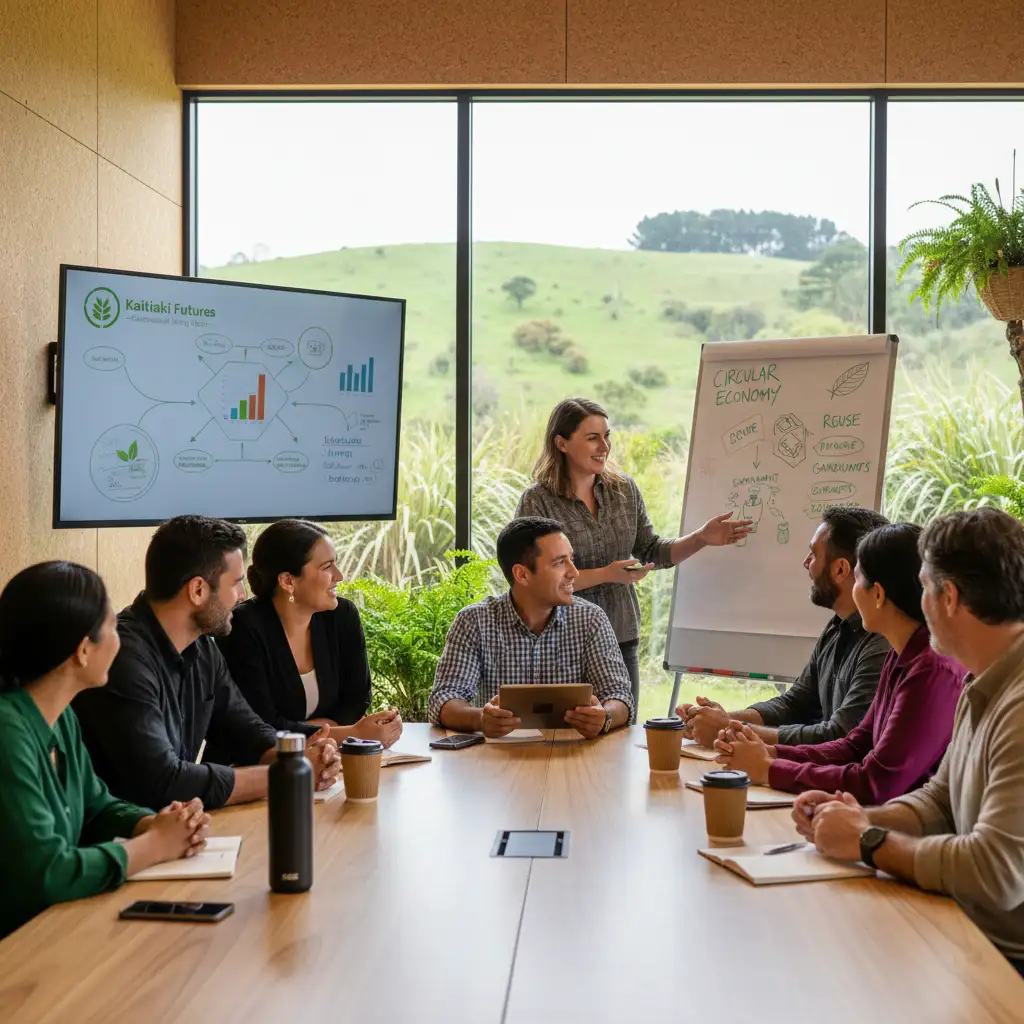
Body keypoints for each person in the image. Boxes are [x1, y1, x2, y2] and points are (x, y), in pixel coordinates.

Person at [800, 508, 1024, 975]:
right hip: (968, 934)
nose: (916, 603)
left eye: (922, 588)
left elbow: (994, 872)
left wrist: (868, 841)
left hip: (1004, 964)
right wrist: (857, 817)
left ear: (949, 597)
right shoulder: (983, 679)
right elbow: (941, 801)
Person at [0, 561, 210, 939]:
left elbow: (97, 807)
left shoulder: (61, 717)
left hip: (53, 930)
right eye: (113, 626)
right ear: (83, 650)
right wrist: (154, 846)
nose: (120, 640)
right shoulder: (7, 732)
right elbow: (47, 873)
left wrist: (153, 824)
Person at [75, 515, 341, 811]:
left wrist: (298, 757)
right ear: (198, 590)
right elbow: (162, 782)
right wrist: (288, 775)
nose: (243, 596)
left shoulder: (201, 647)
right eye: (236, 583)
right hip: (125, 834)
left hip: (180, 828)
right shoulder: (123, 658)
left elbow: (246, 732)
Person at [515, 397, 751, 718]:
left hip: (621, 637)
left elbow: (652, 550)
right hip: (561, 642)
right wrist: (606, 574)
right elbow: (535, 580)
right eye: (592, 437)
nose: (604, 446)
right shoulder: (537, 501)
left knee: (620, 732)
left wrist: (701, 538)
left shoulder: (624, 491)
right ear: (562, 443)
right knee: (562, 734)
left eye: (607, 436)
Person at [713, 523, 963, 803]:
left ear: (878, 594)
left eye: (857, 580)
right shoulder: (900, 653)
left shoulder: (931, 669)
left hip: (899, 824)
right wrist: (771, 753)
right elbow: (854, 745)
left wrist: (769, 769)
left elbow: (875, 782)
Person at [679, 506, 892, 748]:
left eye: (813, 554)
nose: (805, 562)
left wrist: (730, 729)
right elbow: (795, 704)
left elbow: (839, 736)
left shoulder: (881, 645)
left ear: (841, 569)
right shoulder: (836, 628)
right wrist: (719, 718)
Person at [429, 516, 634, 738]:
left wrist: (605, 717)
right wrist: (480, 719)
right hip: (497, 755)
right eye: (559, 563)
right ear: (522, 574)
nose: (574, 572)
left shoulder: (591, 619)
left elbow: (619, 696)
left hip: (573, 754)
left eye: (571, 559)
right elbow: (444, 699)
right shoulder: (474, 621)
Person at [216, 519, 402, 749]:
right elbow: (261, 725)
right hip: (255, 764)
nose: (339, 576)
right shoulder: (243, 627)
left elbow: (357, 701)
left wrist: (318, 733)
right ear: (288, 581)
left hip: (329, 756)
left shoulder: (342, 616)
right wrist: (350, 733)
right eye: (327, 567)